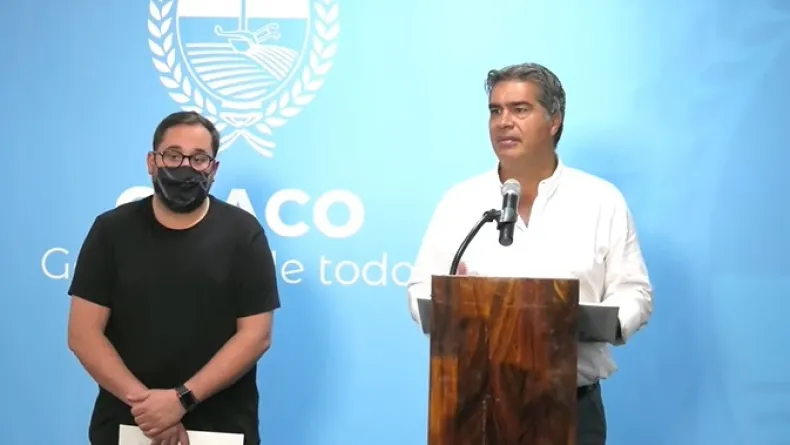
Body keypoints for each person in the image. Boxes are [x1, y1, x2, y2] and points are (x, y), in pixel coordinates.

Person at [406, 62, 653, 445]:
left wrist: (599, 321)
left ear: (554, 120)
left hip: (570, 406)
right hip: (473, 406)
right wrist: (455, 300)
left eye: (520, 109)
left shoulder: (600, 200)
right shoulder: (460, 201)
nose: (504, 122)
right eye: (495, 111)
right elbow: (421, 288)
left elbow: (633, 290)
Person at [67, 111, 281, 445]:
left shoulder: (243, 234)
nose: (185, 166)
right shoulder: (110, 231)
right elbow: (83, 334)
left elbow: (256, 336)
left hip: (221, 428)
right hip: (128, 424)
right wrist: (151, 409)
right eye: (172, 155)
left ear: (213, 169)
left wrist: (181, 400)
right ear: (151, 162)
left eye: (198, 159)